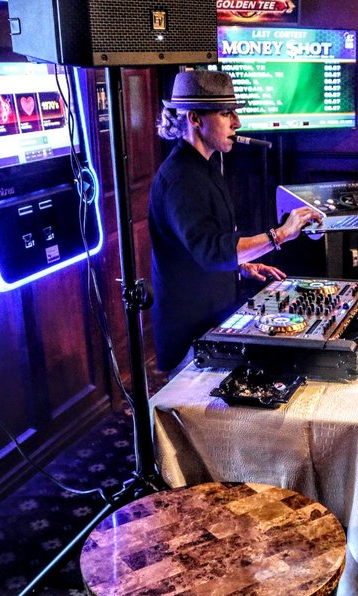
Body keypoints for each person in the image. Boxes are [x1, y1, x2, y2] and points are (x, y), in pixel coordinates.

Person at [148, 69, 321, 374]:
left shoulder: (204, 164)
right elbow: (213, 252)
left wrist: (241, 265)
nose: (237, 123)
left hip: (211, 320)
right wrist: (280, 234)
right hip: (191, 336)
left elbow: (205, 243)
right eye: (226, 113)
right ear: (195, 119)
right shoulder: (181, 178)